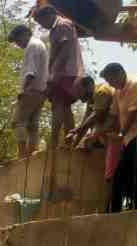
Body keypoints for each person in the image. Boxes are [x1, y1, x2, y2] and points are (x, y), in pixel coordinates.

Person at [103, 63, 137, 212]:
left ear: (120, 73)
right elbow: (113, 115)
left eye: (111, 80)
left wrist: (121, 134)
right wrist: (96, 133)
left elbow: (133, 114)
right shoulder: (117, 92)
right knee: (123, 176)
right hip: (129, 140)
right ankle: (118, 211)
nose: (110, 84)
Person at [34, 4, 84, 150]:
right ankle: (70, 141)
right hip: (67, 72)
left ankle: (54, 142)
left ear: (49, 15)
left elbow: (64, 52)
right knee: (65, 106)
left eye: (41, 21)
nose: (42, 25)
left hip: (65, 72)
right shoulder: (56, 29)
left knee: (57, 103)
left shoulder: (62, 25)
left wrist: (53, 74)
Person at [7, 24, 48, 159]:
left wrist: (23, 90)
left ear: (25, 34)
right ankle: (32, 153)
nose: (18, 44)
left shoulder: (32, 46)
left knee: (17, 121)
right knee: (32, 125)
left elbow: (31, 72)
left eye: (18, 40)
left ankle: (22, 155)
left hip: (31, 90)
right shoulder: (40, 44)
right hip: (41, 91)